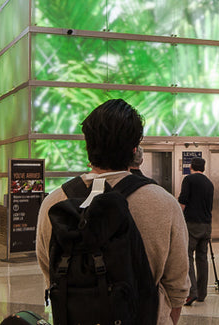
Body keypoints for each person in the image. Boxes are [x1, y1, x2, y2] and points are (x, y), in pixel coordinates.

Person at [35, 99, 189, 324]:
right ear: (134, 149)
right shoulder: (164, 203)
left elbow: (50, 275)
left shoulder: (54, 202)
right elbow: (177, 288)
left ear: (88, 146)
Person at [178, 156, 214, 307]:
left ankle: (191, 292)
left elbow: (183, 201)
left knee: (187, 256)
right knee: (202, 258)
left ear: (191, 167)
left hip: (192, 224)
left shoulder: (189, 180)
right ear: (203, 168)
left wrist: (178, 218)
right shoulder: (209, 183)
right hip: (206, 225)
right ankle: (201, 293)